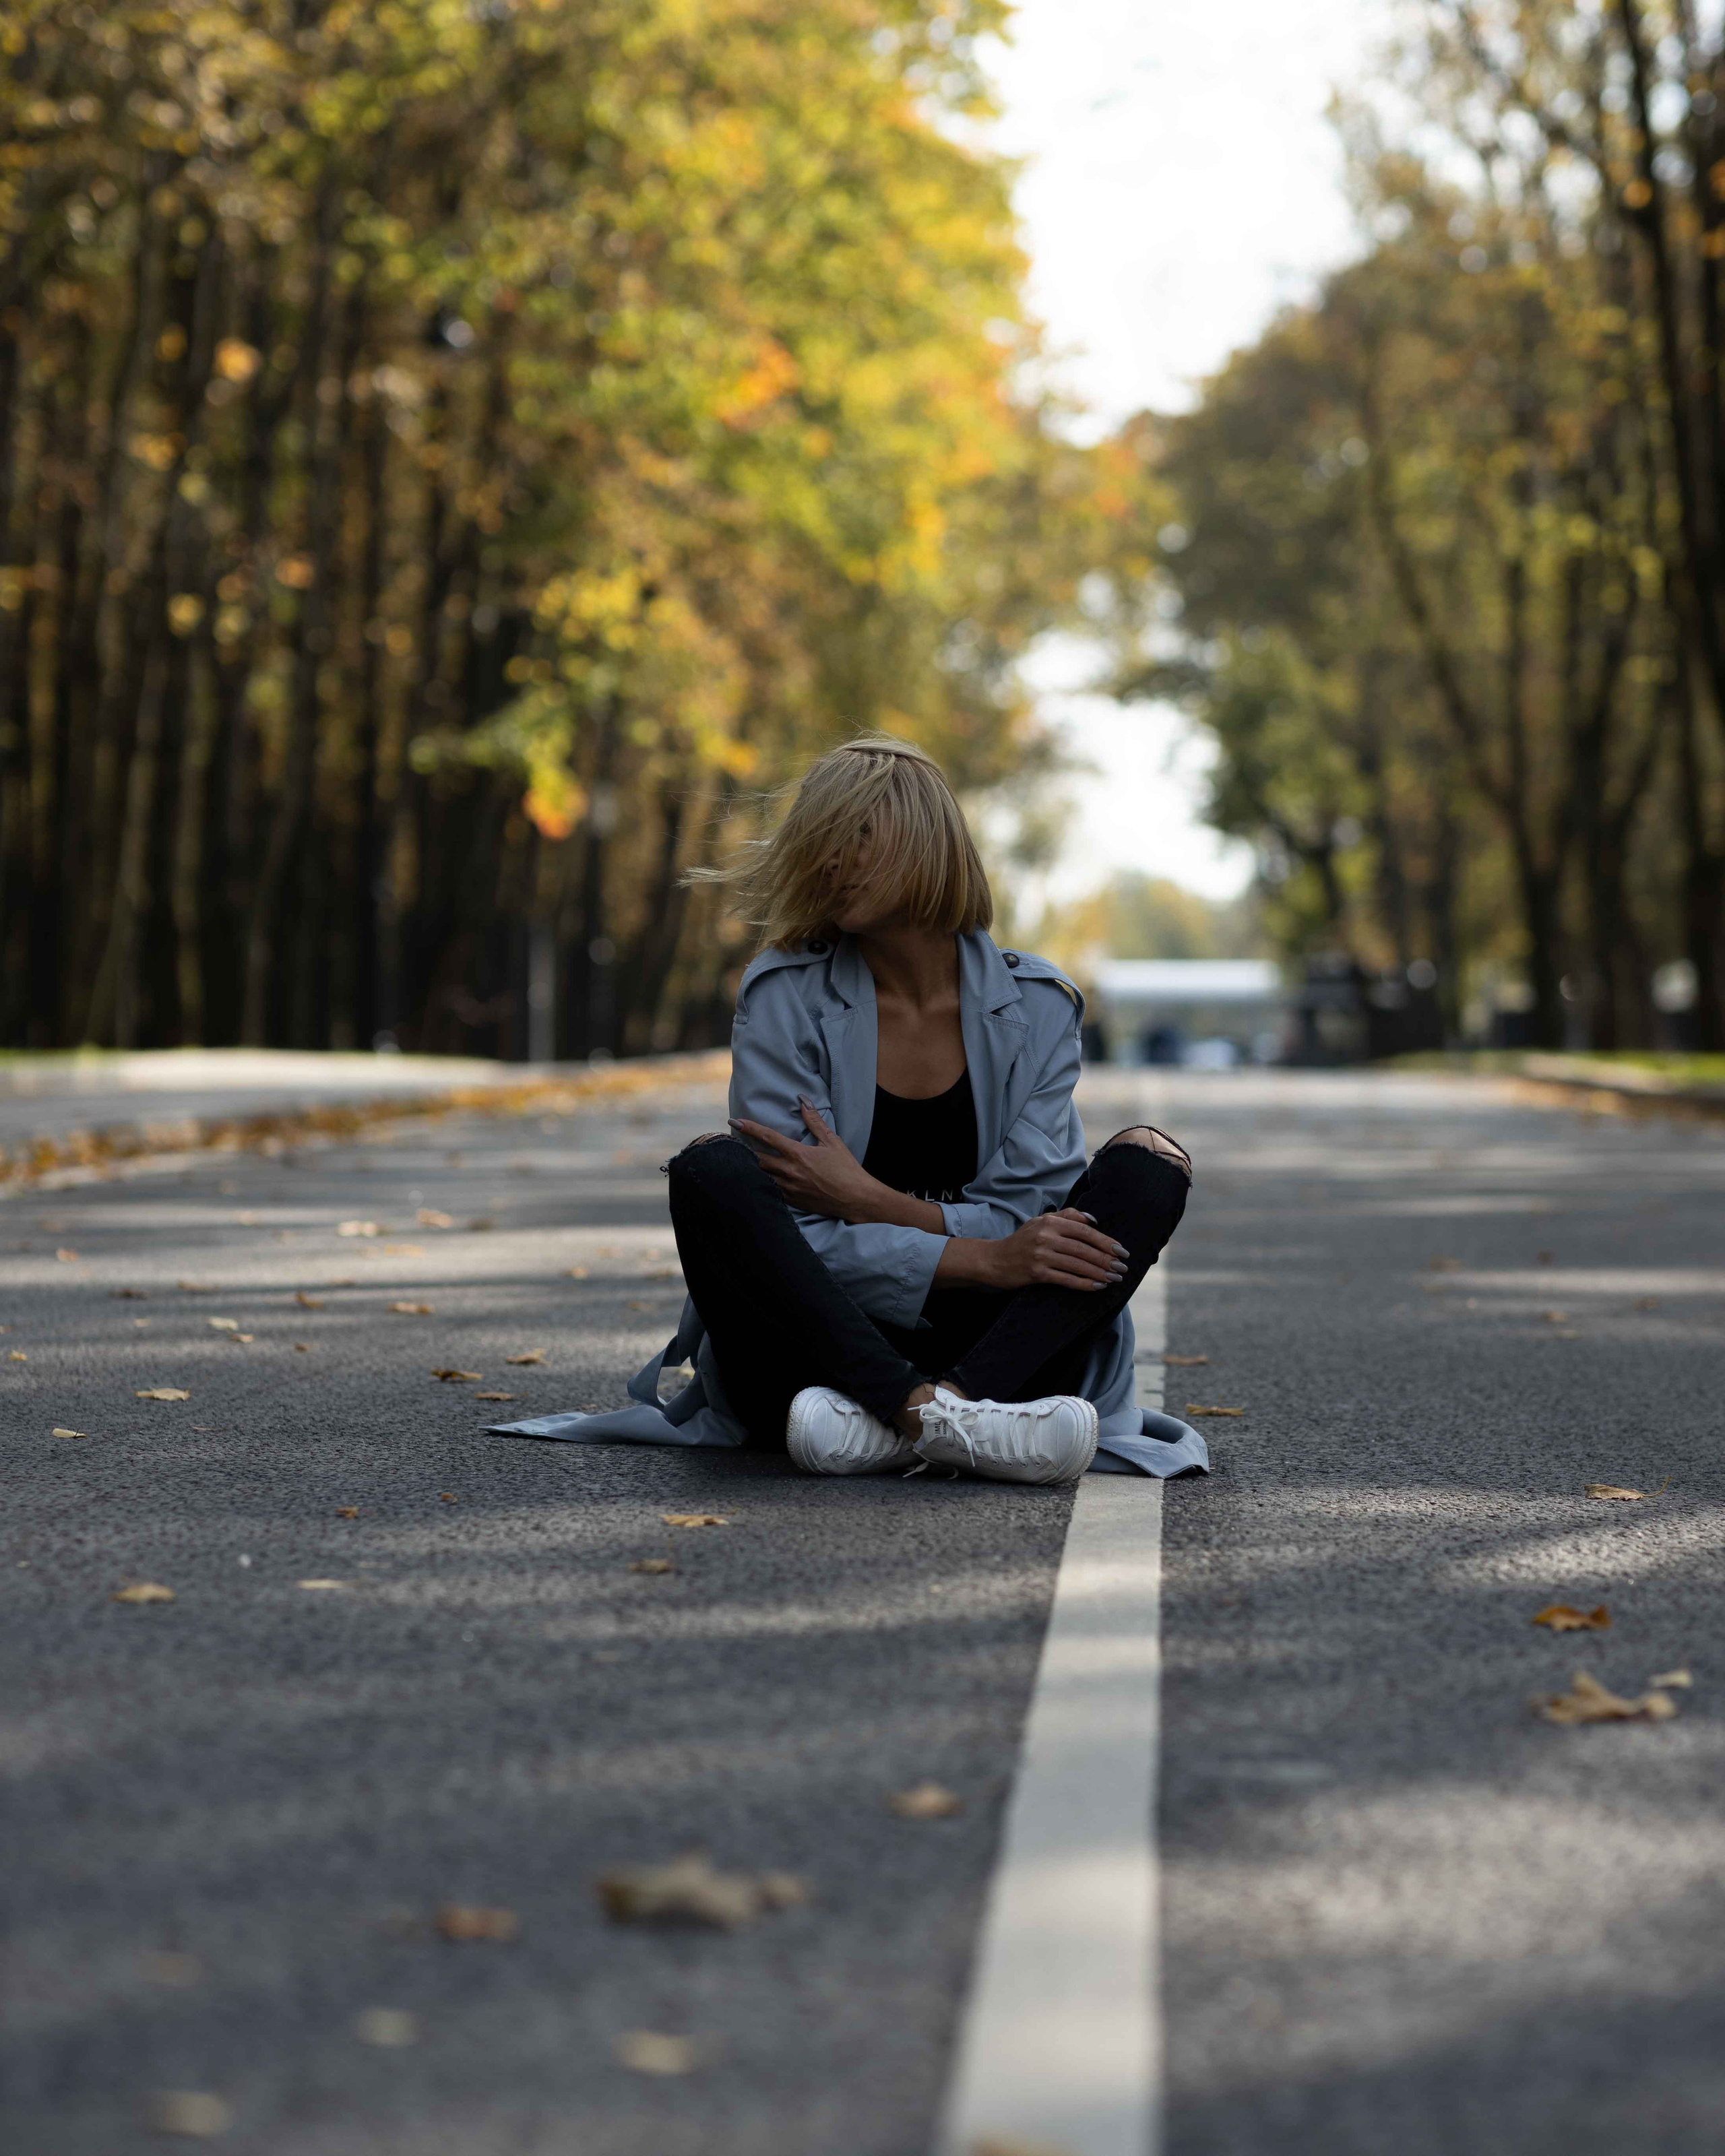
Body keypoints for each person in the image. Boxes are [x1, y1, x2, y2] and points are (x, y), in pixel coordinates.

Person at [489, 733, 1205, 1482]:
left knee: (1147, 1166)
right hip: (810, 1364)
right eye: (820, 840)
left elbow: (1031, 1217)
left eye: (857, 835)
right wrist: (984, 1257)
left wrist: (862, 1198)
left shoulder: (1037, 1006)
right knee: (712, 1171)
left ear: (925, 840)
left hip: (999, 1357)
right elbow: (801, 1241)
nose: (832, 859)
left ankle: (940, 1410)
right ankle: (934, 1419)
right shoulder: (784, 996)